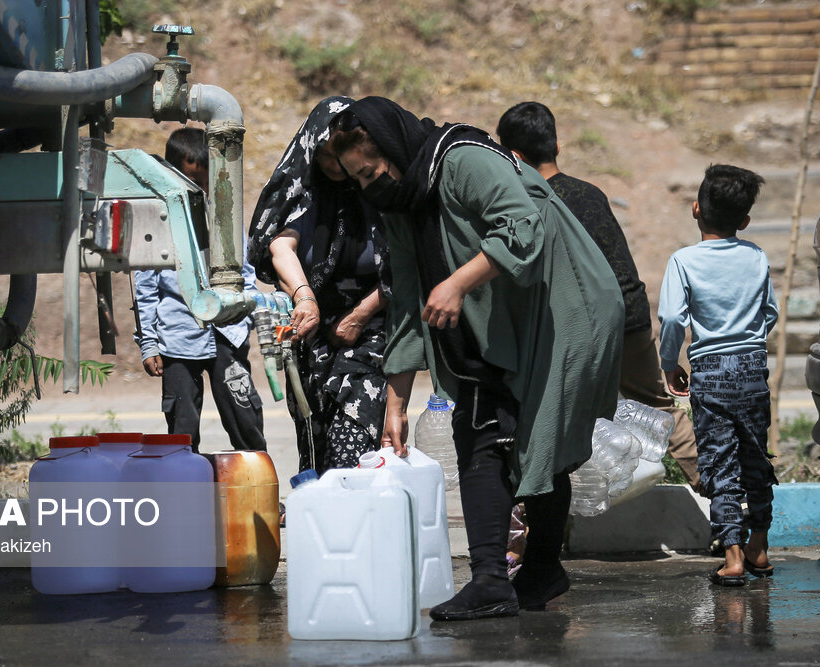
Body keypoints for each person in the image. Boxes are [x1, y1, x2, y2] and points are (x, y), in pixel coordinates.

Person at [328, 97, 624, 621]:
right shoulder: (403, 199)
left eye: (371, 171)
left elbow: (525, 227)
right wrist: (395, 401)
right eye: (357, 179)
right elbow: (406, 297)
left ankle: (495, 578)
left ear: (393, 149)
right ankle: (535, 573)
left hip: (566, 307)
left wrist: (458, 282)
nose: (368, 185)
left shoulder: (463, 159)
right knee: (498, 431)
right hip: (508, 319)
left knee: (506, 436)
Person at [496, 101, 701, 492]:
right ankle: (724, 498)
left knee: (549, 415)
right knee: (659, 408)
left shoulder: (533, 201)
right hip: (632, 315)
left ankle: (538, 514)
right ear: (556, 144)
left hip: (586, 325)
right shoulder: (589, 193)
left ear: (514, 156)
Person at [247, 97, 391, 473]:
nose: (337, 166)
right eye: (327, 156)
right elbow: (280, 245)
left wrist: (361, 314)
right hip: (311, 333)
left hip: (371, 331)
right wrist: (304, 297)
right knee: (316, 445)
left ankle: (353, 520)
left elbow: (403, 268)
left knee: (353, 444)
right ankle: (324, 523)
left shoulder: (379, 190)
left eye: (343, 156)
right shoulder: (303, 193)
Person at [658, 164, 778, 587]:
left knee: (720, 462)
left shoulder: (684, 260)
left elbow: (673, 317)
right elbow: (771, 312)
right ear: (744, 221)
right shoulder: (756, 256)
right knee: (756, 459)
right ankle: (759, 546)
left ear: (696, 209)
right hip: (751, 368)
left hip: (709, 372)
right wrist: (747, 340)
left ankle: (732, 556)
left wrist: (670, 362)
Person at [134, 127, 266, 454]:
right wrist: (149, 344)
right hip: (178, 339)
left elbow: (244, 272)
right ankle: (186, 497)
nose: (200, 189)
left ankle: (258, 495)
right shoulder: (157, 223)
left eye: (205, 181)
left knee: (245, 419)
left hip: (228, 335)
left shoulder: (225, 215)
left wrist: (244, 317)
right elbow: (145, 289)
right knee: (181, 430)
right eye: (192, 180)